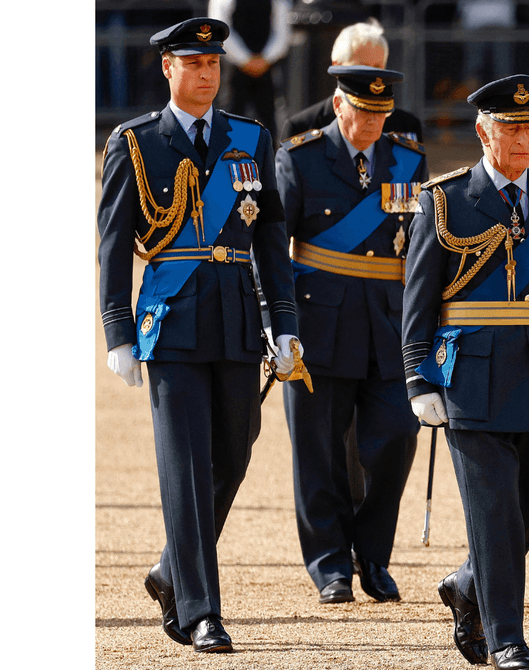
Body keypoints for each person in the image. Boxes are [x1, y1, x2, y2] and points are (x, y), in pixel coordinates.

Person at [97, 18, 300, 653]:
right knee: (185, 467)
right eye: (193, 64)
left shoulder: (251, 138)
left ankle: (170, 569)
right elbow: (111, 246)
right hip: (173, 319)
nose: (207, 75)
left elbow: (270, 237)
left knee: (234, 453)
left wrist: (283, 321)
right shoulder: (135, 142)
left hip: (238, 317)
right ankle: (202, 610)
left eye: (213, 65)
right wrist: (116, 331)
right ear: (168, 69)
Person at [401, 75, 529, 670]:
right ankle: (506, 637)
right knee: (492, 512)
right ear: (484, 131)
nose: (523, 138)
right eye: (511, 128)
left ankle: (468, 583)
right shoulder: (446, 200)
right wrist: (418, 377)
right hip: (470, 379)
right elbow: (419, 295)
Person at [275, 66, 429, 605]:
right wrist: (278, 323)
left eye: (381, 115)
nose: (371, 124)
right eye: (362, 112)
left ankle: (373, 554)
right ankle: (330, 565)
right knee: (318, 451)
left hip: (388, 325)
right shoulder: (299, 157)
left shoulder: (408, 160)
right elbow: (273, 250)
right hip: (318, 325)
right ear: (338, 104)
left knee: (395, 438)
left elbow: (422, 249)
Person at [282, 19, 426, 142]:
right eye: (362, 67)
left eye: (378, 67)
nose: (372, 75)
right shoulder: (302, 127)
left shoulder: (407, 126)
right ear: (337, 66)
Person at [208, 0, 291, 140]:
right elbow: (220, 30)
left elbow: (282, 32)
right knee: (229, 121)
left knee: (269, 125)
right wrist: (245, 60)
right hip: (233, 71)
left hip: (267, 71)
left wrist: (265, 59)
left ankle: (267, 160)